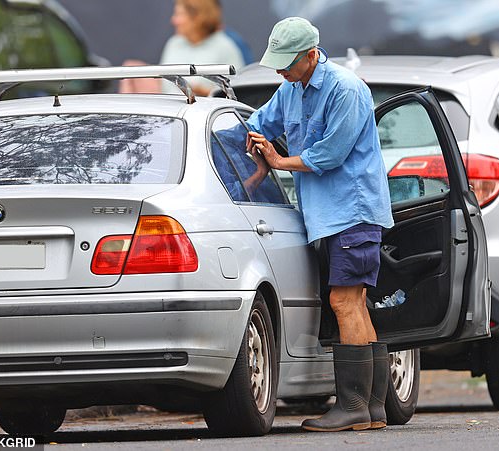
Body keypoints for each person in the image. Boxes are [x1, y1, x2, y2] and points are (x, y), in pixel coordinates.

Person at [245, 17, 394, 432]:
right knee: (355, 303)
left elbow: (329, 155)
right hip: (325, 216)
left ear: (311, 55)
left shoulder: (346, 89)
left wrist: (277, 161)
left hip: (353, 210)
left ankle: (352, 407)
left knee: (344, 303)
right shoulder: (291, 89)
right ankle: (372, 409)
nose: (279, 71)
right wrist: (256, 155)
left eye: (286, 63)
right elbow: (259, 123)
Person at [159, 0, 245, 96]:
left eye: (179, 14)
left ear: (198, 17)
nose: (173, 20)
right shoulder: (173, 44)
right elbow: (163, 87)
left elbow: (238, 95)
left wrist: (207, 93)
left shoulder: (225, 47)